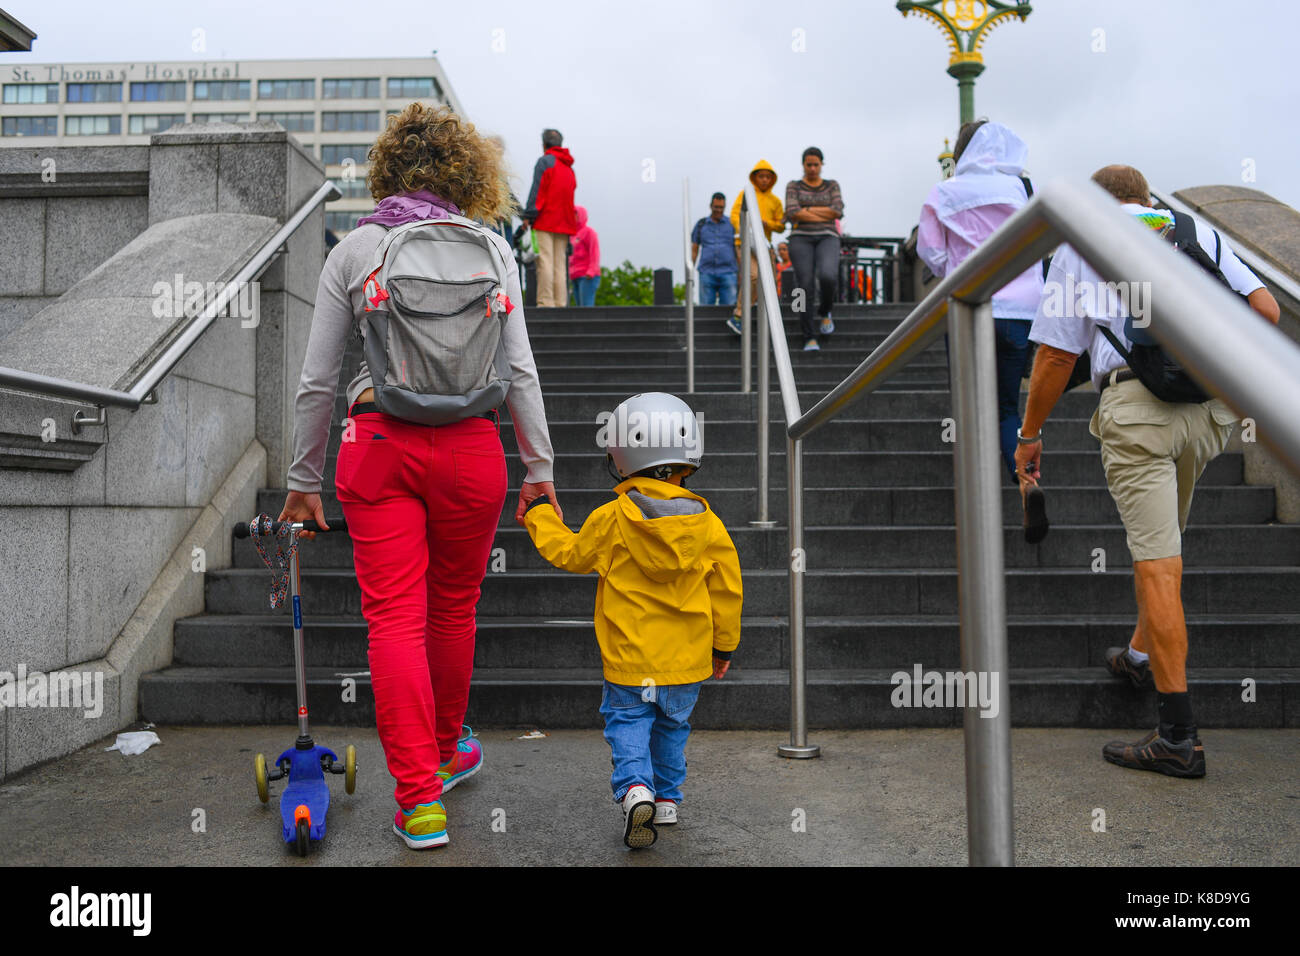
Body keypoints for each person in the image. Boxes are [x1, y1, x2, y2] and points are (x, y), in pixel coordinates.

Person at [280, 103, 560, 847]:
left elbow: (316, 381)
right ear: (468, 171)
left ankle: (418, 800)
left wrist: (304, 480)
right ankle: (443, 754)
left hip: (379, 446)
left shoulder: (357, 249)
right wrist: (540, 469)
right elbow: (522, 373)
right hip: (473, 448)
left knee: (394, 618)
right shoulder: (494, 249)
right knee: (454, 609)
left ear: (387, 169)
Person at [1017, 164, 1280, 779]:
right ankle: (1139, 654)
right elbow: (1266, 311)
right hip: (1209, 414)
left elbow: (1057, 353)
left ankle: (1178, 737)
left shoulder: (1084, 242)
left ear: (1097, 202)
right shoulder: (1196, 234)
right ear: (1144, 197)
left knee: (1157, 564)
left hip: (1139, 412)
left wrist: (1030, 437)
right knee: (1162, 544)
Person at [521, 392, 742, 849]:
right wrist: (724, 647)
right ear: (687, 460)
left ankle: (634, 789)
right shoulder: (710, 525)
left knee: (627, 724)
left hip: (629, 657)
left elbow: (569, 553)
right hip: (687, 659)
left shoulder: (612, 518)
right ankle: (666, 801)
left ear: (621, 458)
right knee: (672, 727)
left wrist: (540, 515)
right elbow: (728, 591)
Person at [917, 120, 1046, 527]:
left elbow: (931, 253)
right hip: (1020, 313)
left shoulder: (945, 191)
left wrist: (960, 261)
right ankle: (1025, 481)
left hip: (970, 306)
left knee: (968, 404)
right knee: (1008, 407)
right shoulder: (1022, 189)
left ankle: (976, 498)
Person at [784, 147, 844, 351]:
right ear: (803, 165)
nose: (812, 168)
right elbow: (792, 212)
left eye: (815, 164)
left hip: (828, 237)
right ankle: (808, 335)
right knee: (803, 286)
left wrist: (806, 210)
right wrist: (823, 213)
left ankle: (825, 311)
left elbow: (837, 211)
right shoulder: (793, 186)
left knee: (828, 276)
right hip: (800, 238)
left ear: (821, 165)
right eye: (808, 164)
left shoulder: (832, 185)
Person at [727, 159, 785, 335]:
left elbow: (781, 225)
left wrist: (768, 224)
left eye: (768, 177)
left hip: (764, 244)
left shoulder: (775, 201)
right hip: (745, 243)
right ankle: (738, 315)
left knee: (768, 280)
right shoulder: (746, 194)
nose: (765, 180)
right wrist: (746, 227)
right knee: (754, 276)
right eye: (761, 176)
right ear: (755, 177)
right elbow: (735, 215)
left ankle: (762, 317)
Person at [524, 128, 578, 307]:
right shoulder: (569, 168)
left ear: (544, 144)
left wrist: (529, 214)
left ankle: (546, 303)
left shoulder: (545, 162)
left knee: (544, 262)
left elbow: (537, 189)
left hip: (545, 220)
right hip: (565, 222)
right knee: (559, 265)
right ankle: (561, 302)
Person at [691, 191, 738, 306]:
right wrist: (690, 271)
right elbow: (694, 249)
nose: (719, 210)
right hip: (706, 272)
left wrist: (741, 273)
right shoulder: (701, 224)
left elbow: (738, 249)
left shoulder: (732, 224)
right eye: (716, 207)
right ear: (711, 206)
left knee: (729, 308)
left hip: (728, 272)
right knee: (706, 309)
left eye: (721, 207)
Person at [569, 205, 601, 306]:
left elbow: (595, 252)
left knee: (586, 308)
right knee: (579, 308)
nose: (573, 216)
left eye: (575, 214)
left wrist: (591, 271)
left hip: (587, 276)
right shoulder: (571, 234)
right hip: (574, 276)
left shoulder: (589, 232)